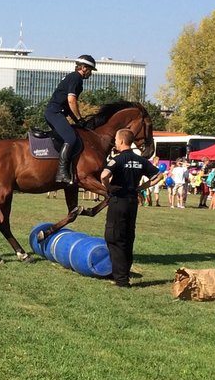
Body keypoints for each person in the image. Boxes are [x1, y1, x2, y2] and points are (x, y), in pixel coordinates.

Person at [100, 129, 164, 288]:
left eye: (115, 139)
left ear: (121, 141)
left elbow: (103, 175)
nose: (115, 142)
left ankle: (121, 279)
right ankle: (124, 272)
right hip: (132, 202)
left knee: (114, 237)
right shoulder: (140, 160)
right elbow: (159, 176)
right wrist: (142, 187)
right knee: (128, 237)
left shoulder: (117, 159)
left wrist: (109, 187)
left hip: (118, 201)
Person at [44, 54, 96, 183]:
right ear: (83, 68)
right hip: (55, 113)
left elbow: (68, 105)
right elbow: (71, 101)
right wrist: (79, 118)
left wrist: (79, 120)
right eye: (90, 70)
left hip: (56, 113)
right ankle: (61, 173)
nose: (90, 73)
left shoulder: (75, 79)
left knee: (70, 136)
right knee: (70, 138)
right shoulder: (76, 77)